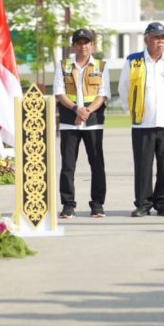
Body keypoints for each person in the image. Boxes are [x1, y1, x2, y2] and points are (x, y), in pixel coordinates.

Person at [118, 22, 164, 217]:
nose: (160, 41)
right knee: (143, 165)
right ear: (146, 39)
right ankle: (143, 204)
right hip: (142, 123)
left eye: (163, 38)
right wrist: (131, 111)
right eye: (156, 37)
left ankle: (163, 203)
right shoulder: (133, 61)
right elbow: (123, 88)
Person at [53, 28, 110, 219]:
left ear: (92, 45)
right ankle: (68, 205)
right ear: (73, 45)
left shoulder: (101, 66)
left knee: (97, 164)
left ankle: (97, 204)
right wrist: (76, 109)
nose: (83, 46)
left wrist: (86, 111)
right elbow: (59, 93)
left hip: (93, 122)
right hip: (70, 122)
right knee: (68, 166)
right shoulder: (63, 65)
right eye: (79, 43)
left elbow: (102, 94)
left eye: (86, 43)